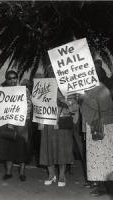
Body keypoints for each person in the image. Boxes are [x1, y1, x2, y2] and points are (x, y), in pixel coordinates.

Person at [79, 59, 113, 196]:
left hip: (103, 127)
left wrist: (85, 98)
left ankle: (104, 187)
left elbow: (105, 107)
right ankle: (99, 185)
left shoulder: (100, 87)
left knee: (103, 158)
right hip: (93, 126)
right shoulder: (87, 88)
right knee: (96, 158)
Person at [0, 70, 32, 182]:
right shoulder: (3, 91)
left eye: (14, 78)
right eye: (9, 78)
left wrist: (19, 119)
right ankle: (8, 172)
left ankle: (22, 172)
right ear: (6, 79)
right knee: (9, 148)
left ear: (17, 78)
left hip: (22, 124)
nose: (12, 80)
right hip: (8, 124)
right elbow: (1, 108)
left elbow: (29, 106)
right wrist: (8, 121)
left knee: (22, 147)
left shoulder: (24, 90)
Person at [39, 91, 74, 187]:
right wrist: (40, 121)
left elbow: (74, 109)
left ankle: (62, 176)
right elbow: (39, 106)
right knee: (48, 150)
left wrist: (66, 103)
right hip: (47, 125)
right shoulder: (46, 90)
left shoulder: (69, 92)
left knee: (61, 151)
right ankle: (51, 175)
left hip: (61, 127)